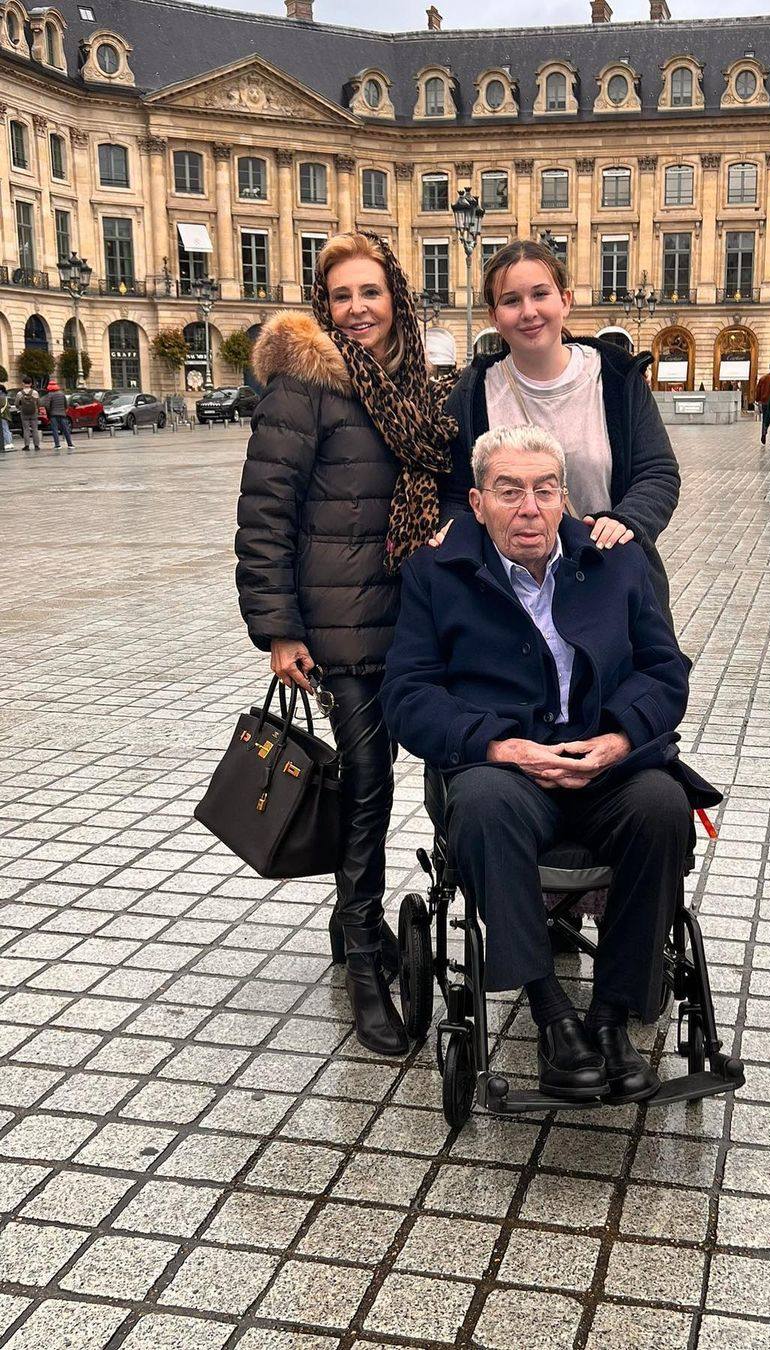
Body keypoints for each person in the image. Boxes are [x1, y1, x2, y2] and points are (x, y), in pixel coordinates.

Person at [382, 425, 719, 1104]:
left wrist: (621, 739)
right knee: (480, 804)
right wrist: (497, 745)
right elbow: (408, 694)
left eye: (544, 490)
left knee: (660, 807)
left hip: (607, 766)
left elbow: (665, 670)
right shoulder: (434, 572)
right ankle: (552, 1013)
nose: (529, 508)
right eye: (509, 491)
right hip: (506, 769)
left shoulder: (615, 561)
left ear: (565, 497)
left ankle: (611, 1015)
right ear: (477, 504)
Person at [235, 230, 457, 1057]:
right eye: (340, 297)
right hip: (338, 632)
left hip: (417, 621)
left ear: (395, 294)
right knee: (366, 782)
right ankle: (363, 949)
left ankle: (349, 921)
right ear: (321, 307)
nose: (356, 309)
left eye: (370, 292)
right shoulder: (304, 389)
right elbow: (265, 518)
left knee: (420, 771)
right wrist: (280, 629)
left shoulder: (419, 390)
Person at [442, 239, 679, 617]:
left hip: (609, 577)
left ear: (565, 300)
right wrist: (457, 531)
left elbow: (658, 472)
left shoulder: (617, 377)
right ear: (493, 315)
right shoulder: (474, 391)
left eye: (540, 294)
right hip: (512, 597)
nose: (529, 312)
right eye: (511, 300)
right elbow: (456, 491)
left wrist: (626, 521)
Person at [43, 381, 73, 449]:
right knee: (66, 429)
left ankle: (57, 445)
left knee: (55, 430)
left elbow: (47, 406)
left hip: (53, 415)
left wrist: (49, 413)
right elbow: (66, 405)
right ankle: (70, 444)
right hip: (62, 414)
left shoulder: (49, 395)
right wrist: (64, 411)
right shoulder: (62, 394)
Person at [15, 378, 41, 451]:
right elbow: (39, 403)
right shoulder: (35, 392)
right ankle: (36, 446)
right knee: (35, 429)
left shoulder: (19, 393)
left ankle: (27, 446)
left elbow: (16, 404)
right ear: (31, 384)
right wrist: (36, 408)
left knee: (26, 429)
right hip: (34, 412)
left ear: (23, 383)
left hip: (24, 413)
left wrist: (20, 408)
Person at [0, 384, 13, 451]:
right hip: (5, 415)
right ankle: (9, 442)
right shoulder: (5, 397)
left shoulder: (1, 397)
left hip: (2, 415)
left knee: (5, 429)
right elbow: (9, 406)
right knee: (6, 429)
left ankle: (8, 443)